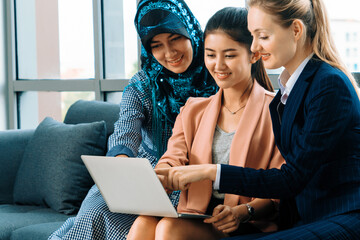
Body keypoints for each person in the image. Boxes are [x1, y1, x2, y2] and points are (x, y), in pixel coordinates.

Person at [155, 0, 360, 239]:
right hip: (308, 218)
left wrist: (212, 173)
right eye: (252, 36)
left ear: (296, 30)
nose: (254, 47)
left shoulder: (328, 84)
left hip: (342, 215)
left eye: (262, 36)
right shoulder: (291, 89)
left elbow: (290, 178)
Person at [48, 0, 217, 239]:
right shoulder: (142, 85)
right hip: (143, 180)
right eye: (156, 45)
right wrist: (122, 164)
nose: (169, 53)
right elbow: (125, 132)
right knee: (95, 211)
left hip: (193, 181)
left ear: (189, 30)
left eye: (175, 38)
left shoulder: (218, 75)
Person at [127, 7, 285, 240]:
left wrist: (241, 212)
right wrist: (163, 176)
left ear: (253, 55)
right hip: (197, 215)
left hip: (245, 220)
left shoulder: (278, 111)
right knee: (143, 223)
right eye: (211, 55)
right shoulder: (193, 110)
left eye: (229, 55)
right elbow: (172, 159)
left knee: (168, 229)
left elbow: (279, 188)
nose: (218, 65)